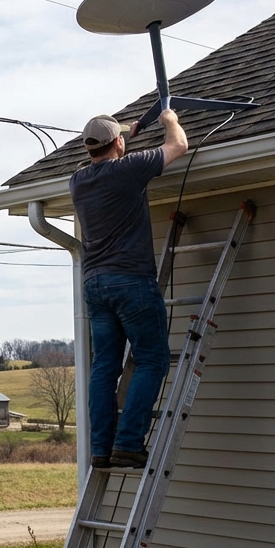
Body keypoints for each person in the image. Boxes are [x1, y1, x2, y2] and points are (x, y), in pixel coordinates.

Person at [70, 108, 187, 469]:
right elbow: (179, 144)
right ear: (117, 143)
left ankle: (101, 450)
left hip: (94, 283)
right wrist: (168, 120)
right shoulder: (128, 169)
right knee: (152, 359)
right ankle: (129, 443)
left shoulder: (78, 180)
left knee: (105, 367)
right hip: (131, 280)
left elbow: (111, 158)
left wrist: (127, 136)